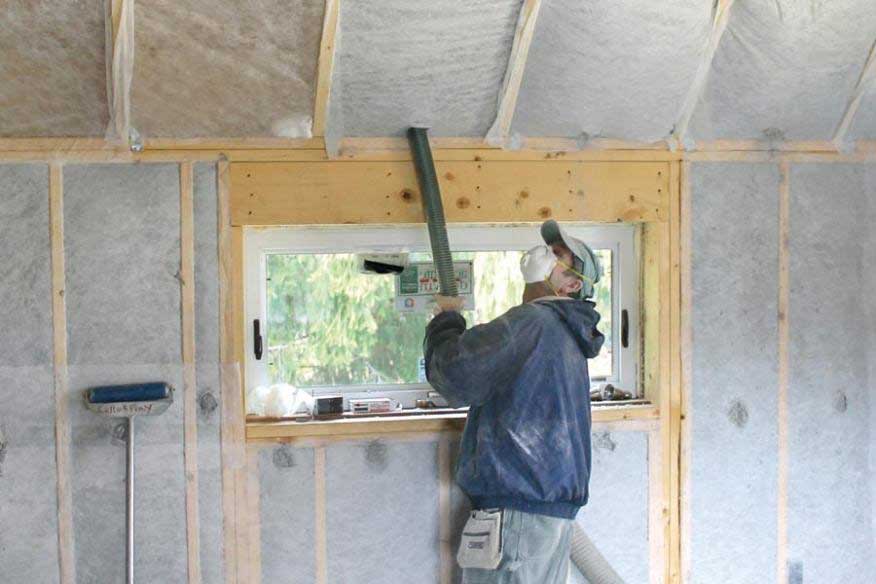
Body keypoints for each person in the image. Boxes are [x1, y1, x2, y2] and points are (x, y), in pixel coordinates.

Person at [423, 220, 604, 584]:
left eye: (556, 254)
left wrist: (445, 321)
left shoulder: (536, 322)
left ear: (572, 284)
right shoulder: (565, 333)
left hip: (516, 515)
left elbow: (457, 374)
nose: (543, 255)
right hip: (540, 515)